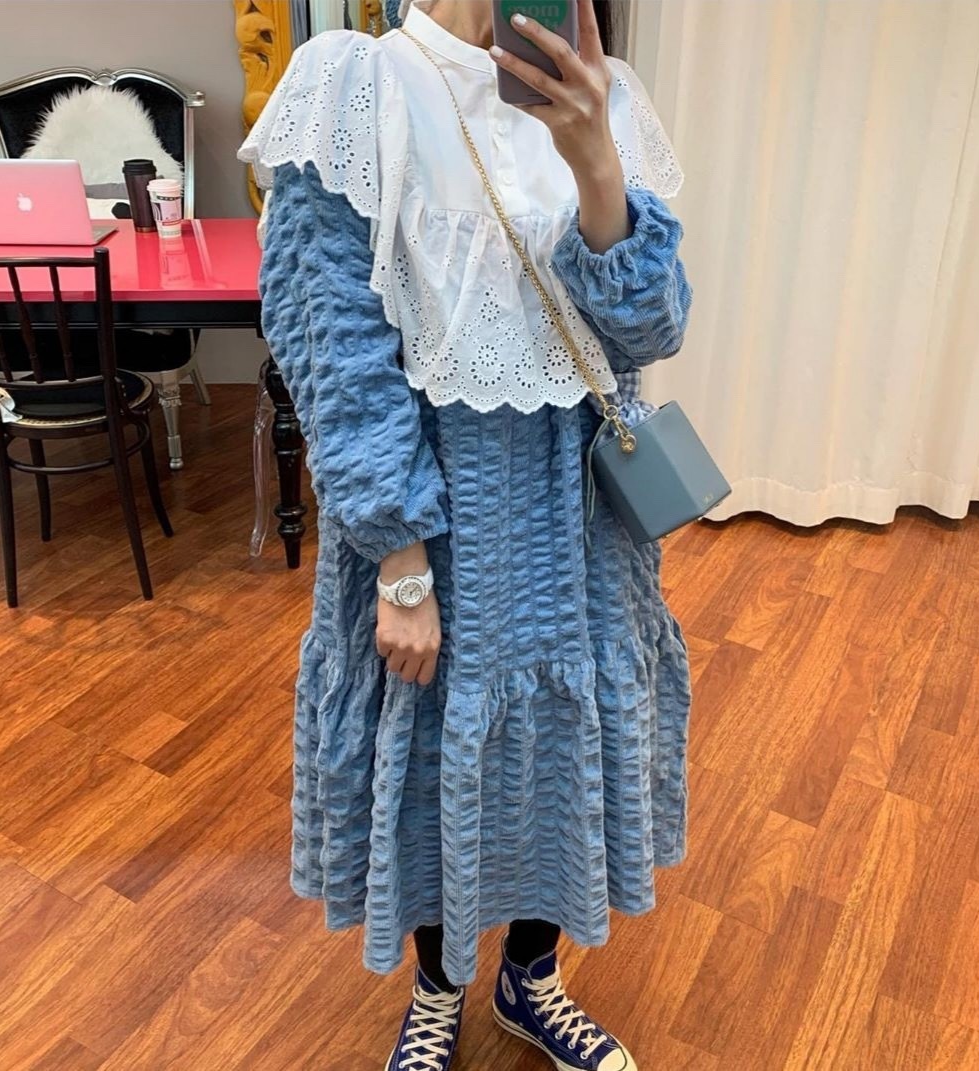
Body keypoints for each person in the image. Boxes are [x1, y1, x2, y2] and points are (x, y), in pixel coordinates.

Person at [238, 0, 693, 1067]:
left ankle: (531, 980)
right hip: (439, 515)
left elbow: (653, 325)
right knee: (437, 754)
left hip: (585, 517)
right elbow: (331, 347)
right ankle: (439, 988)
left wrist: (593, 157)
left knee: (569, 744)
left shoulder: (607, 98)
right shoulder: (353, 86)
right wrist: (398, 560)